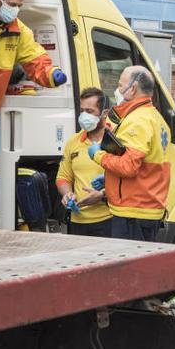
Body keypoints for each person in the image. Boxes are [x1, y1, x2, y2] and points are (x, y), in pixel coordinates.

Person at [0, 0, 67, 150]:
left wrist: (51, 74)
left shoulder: (20, 32)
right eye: (12, 4)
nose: (15, 10)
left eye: (19, 6)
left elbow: (36, 59)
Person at [87, 66, 170, 241]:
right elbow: (144, 166)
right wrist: (109, 178)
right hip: (147, 209)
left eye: (120, 85)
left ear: (132, 89)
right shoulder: (155, 118)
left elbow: (128, 167)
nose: (117, 90)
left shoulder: (137, 121)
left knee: (130, 268)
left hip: (133, 213)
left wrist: (98, 155)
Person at [55, 88, 114, 237]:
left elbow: (128, 178)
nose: (84, 116)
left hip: (108, 220)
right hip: (77, 222)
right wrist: (68, 194)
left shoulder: (116, 140)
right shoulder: (73, 141)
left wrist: (102, 195)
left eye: (90, 111)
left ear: (104, 113)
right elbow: (63, 178)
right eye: (82, 110)